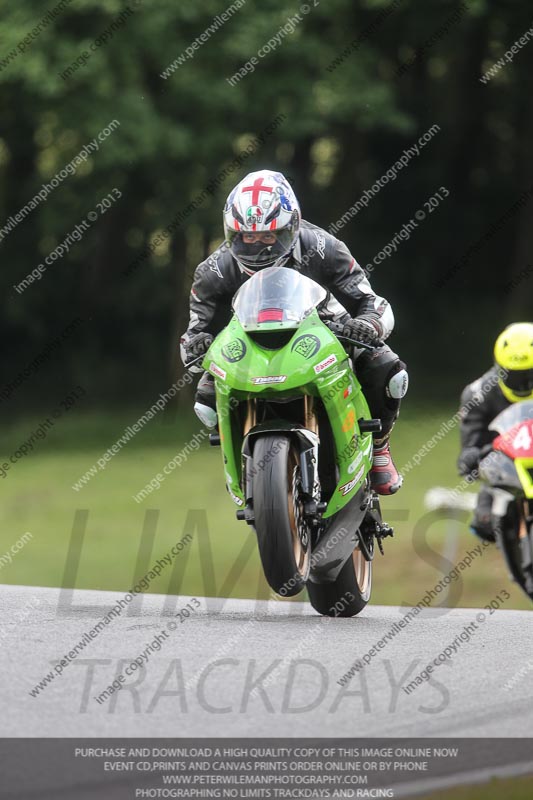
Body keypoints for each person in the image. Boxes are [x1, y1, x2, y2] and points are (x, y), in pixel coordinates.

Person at [180, 169, 408, 495]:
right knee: (205, 399)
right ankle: (244, 464)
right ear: (232, 233)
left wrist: (368, 325)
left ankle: (380, 447)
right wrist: (198, 344)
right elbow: (193, 331)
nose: (258, 247)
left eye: (269, 236)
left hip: (324, 329)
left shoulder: (325, 247)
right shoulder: (213, 270)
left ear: (292, 226)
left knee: (388, 369)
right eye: (247, 237)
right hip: (248, 343)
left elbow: (370, 301)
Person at [457, 322, 533, 540]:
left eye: (530, 375)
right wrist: (470, 455)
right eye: (514, 376)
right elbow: (471, 445)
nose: (523, 384)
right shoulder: (478, 394)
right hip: (506, 467)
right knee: (485, 523)